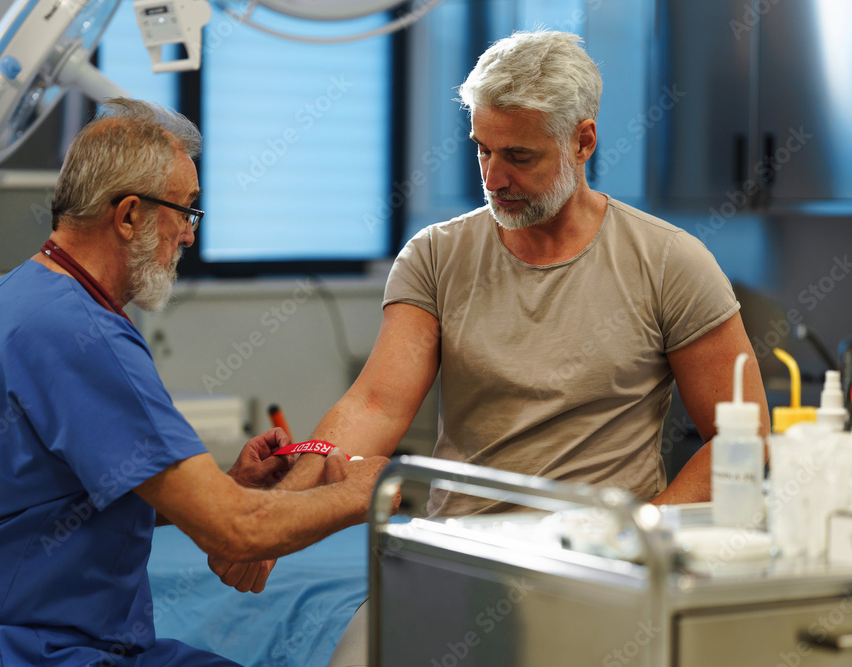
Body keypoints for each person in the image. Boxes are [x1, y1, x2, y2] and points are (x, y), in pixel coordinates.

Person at [208, 30, 771, 665]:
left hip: (600, 571)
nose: (494, 178)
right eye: (482, 151)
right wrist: (268, 523)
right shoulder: (436, 256)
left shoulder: (669, 262)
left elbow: (742, 437)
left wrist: (633, 543)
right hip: (457, 559)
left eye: (520, 157)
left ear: (582, 141)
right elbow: (372, 407)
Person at [0, 98, 389, 667]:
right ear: (127, 216)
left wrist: (226, 483)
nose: (190, 237)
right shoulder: (82, 335)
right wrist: (366, 492)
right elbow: (236, 532)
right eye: (187, 212)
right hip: (9, 647)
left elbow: (50, 500)